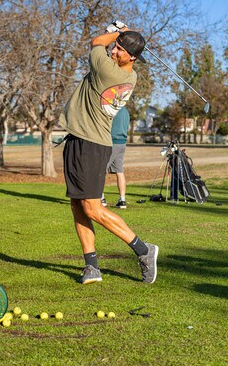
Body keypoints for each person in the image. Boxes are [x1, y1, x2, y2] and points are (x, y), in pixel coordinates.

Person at [59, 25, 158, 285]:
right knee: (78, 205)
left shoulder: (106, 70)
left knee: (92, 207)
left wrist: (116, 32)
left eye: (121, 50)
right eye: (116, 47)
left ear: (133, 58)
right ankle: (92, 267)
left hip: (91, 144)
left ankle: (144, 250)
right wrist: (122, 37)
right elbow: (106, 47)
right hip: (79, 138)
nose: (114, 50)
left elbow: (96, 41)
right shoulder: (130, 75)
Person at [102, 106, 129, 209]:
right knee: (120, 172)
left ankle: (101, 198)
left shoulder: (112, 110)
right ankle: (122, 200)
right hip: (122, 143)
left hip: (112, 142)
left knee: (101, 169)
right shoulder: (125, 111)